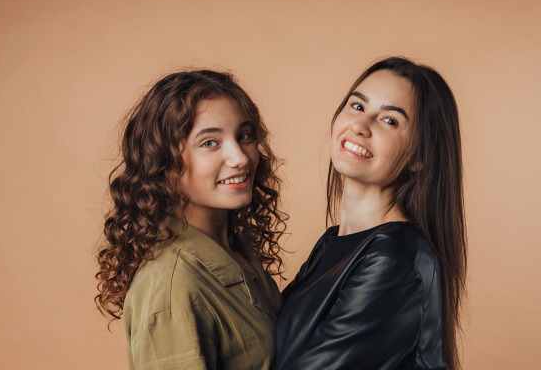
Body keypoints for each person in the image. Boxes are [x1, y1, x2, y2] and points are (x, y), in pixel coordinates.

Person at [275, 57, 467, 370]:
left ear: (419, 156)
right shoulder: (333, 243)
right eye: (357, 106)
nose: (360, 126)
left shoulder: (394, 258)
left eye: (389, 120)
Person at [95, 70, 287, 370]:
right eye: (210, 142)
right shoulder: (173, 287)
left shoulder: (234, 252)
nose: (241, 158)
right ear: (163, 162)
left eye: (245, 136)